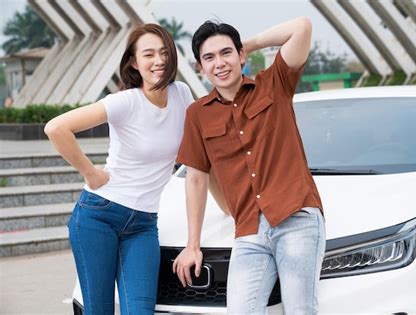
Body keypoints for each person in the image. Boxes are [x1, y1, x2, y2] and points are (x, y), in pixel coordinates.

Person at [172, 17, 326, 314]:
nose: (219, 63)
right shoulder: (197, 115)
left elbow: (302, 27)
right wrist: (193, 245)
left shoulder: (274, 84)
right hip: (248, 230)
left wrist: (248, 44)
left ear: (241, 56)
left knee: (300, 310)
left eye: (226, 53)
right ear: (200, 68)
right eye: (209, 58)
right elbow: (196, 179)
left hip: (295, 216)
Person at [44, 23, 194, 314]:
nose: (159, 60)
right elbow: (56, 128)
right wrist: (91, 173)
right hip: (99, 215)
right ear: (134, 63)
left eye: (164, 52)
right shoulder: (125, 102)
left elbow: (200, 157)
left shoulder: (182, 94)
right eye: (148, 54)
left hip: (143, 225)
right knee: (98, 310)